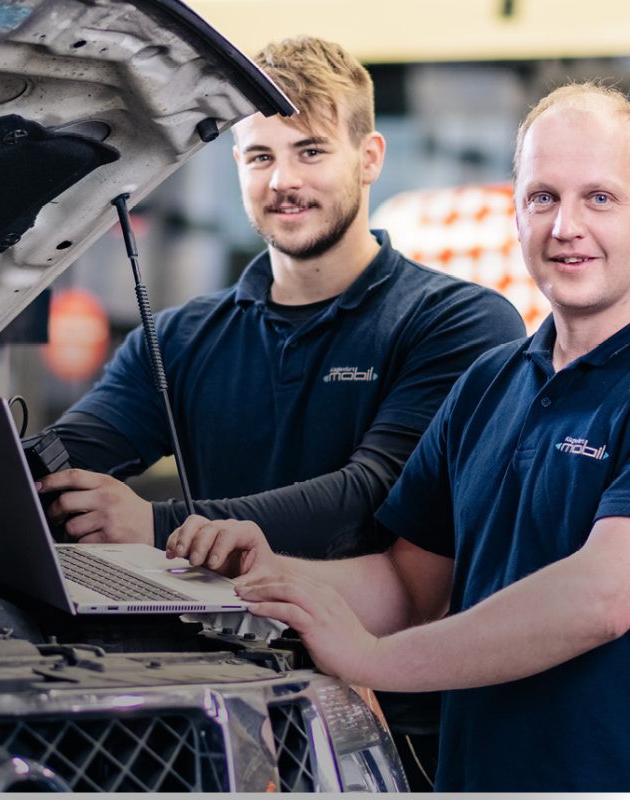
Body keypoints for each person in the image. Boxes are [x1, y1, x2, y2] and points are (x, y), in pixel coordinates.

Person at [0, 36, 523, 790]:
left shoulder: (457, 322)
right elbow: (84, 441)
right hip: (217, 699)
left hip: (381, 726)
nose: (284, 181)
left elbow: (369, 494)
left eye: (310, 151)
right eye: (260, 157)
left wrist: (159, 527)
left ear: (369, 156)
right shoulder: (182, 335)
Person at [166, 80, 630, 792]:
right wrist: (272, 575)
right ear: (515, 209)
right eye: (543, 197)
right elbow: (409, 585)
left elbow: (603, 597)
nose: (566, 226)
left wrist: (375, 661)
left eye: (600, 197)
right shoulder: (487, 385)